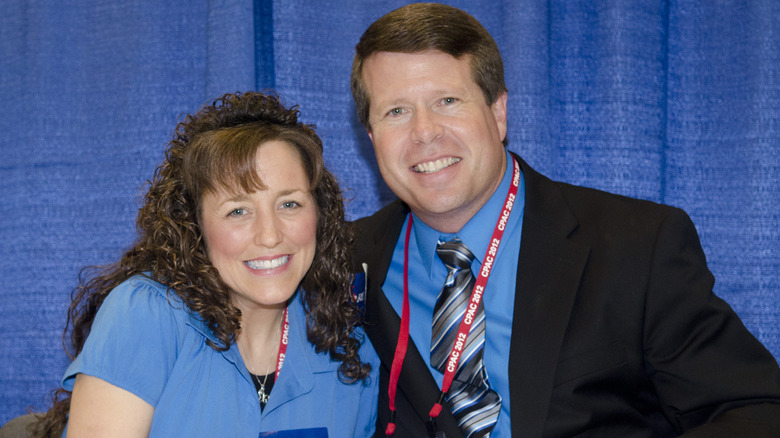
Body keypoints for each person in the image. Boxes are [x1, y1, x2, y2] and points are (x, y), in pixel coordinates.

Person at [349, 3, 780, 437]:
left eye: (447, 101)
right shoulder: (341, 261)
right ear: (371, 137)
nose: (425, 132)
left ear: (499, 113)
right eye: (396, 112)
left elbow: (753, 410)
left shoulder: (636, 248)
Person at [29, 91, 379, 437]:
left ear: (320, 213)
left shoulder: (348, 349)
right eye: (237, 211)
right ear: (194, 226)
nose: (270, 236)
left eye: (289, 204)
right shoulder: (146, 316)